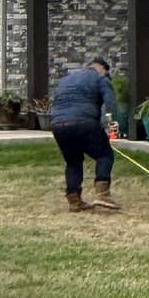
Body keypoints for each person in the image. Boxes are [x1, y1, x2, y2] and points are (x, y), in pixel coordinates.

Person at [49, 57, 120, 213]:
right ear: (102, 68)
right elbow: (110, 104)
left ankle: (74, 201)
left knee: (73, 161)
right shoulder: (100, 78)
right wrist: (112, 126)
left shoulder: (65, 80)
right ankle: (102, 194)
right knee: (104, 155)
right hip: (84, 121)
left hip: (58, 124)